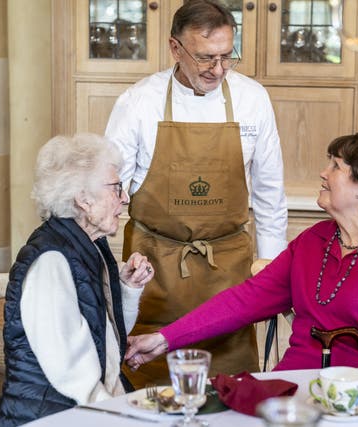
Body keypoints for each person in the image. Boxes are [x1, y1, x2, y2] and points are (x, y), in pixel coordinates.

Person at [124, 132, 358, 372]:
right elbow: (242, 302)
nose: (323, 172)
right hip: (293, 386)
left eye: (336, 166)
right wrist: (164, 340)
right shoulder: (314, 240)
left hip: (357, 396)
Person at [104, 0, 287, 387]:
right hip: (154, 269)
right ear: (175, 48)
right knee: (152, 384)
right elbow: (109, 191)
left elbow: (270, 193)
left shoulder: (253, 99)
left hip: (229, 273)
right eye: (206, 58)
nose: (218, 70)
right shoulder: (138, 102)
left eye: (227, 56)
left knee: (230, 387)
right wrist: (101, 265)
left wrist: (269, 264)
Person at [0, 134, 154, 426]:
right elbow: (73, 373)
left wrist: (127, 290)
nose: (125, 198)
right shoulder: (51, 260)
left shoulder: (87, 245)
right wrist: (130, 417)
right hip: (51, 417)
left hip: (79, 410)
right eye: (116, 188)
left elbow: (101, 341)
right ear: (83, 199)